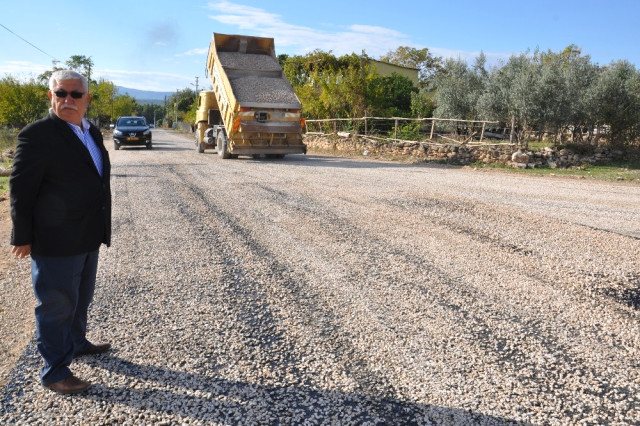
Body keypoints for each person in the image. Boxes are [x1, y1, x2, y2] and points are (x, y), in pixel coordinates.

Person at [10, 69, 112, 395]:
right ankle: (54, 371)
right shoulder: (36, 135)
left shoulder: (90, 132)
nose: (68, 100)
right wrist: (22, 236)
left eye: (75, 94)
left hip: (87, 234)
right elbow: (20, 189)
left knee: (80, 298)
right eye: (61, 94)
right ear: (50, 96)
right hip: (54, 240)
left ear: (87, 99)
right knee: (55, 305)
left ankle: (77, 343)